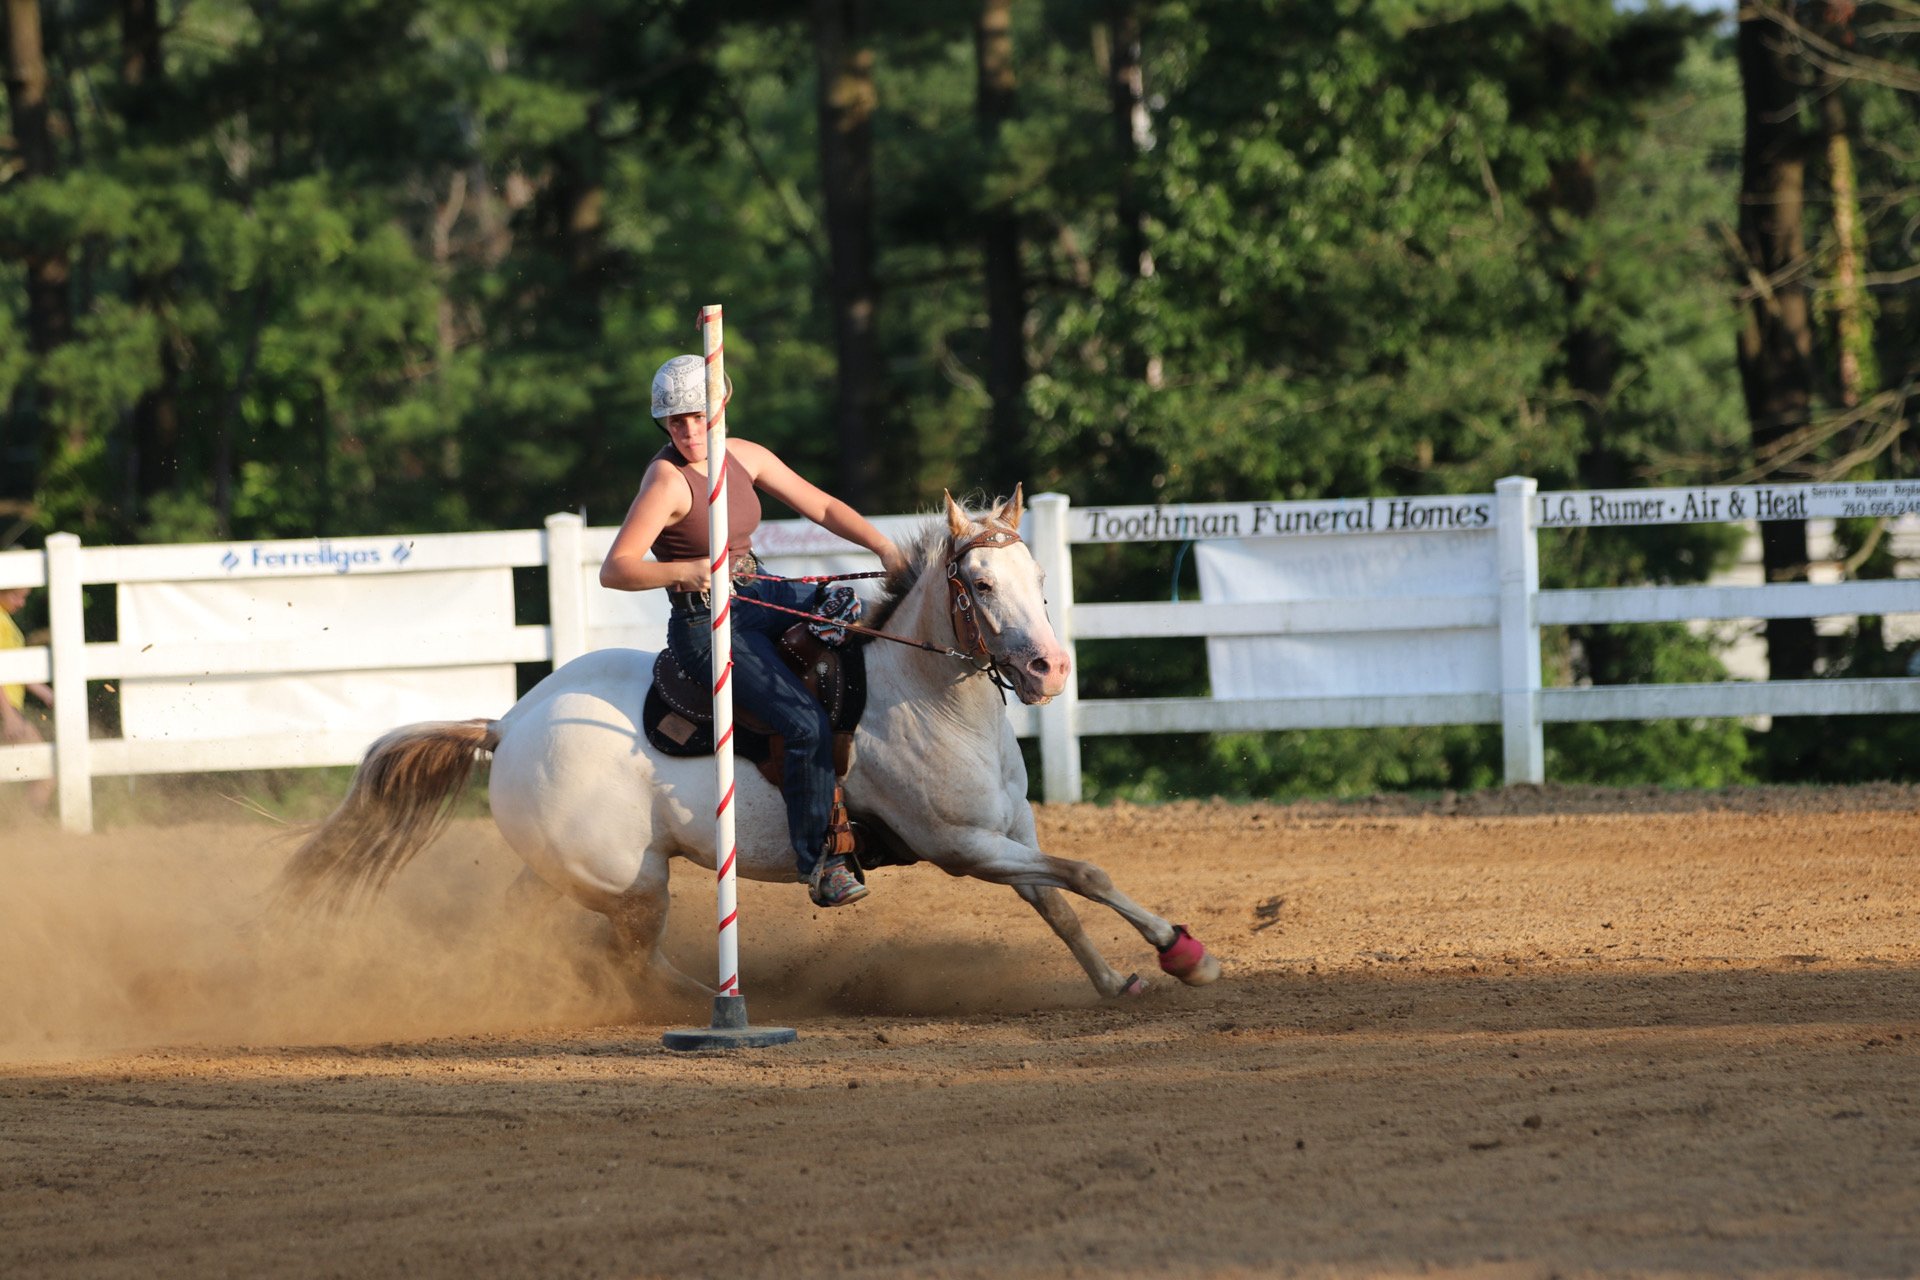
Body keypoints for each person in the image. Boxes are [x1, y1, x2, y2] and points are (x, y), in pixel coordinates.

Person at [600, 355, 908, 908]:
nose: (689, 431)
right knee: (803, 721)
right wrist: (686, 570)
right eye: (675, 422)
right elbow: (616, 569)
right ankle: (820, 861)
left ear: (720, 406)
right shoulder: (666, 482)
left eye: (697, 416)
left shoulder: (746, 455)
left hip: (761, 591)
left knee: (857, 615)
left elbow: (822, 505)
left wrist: (884, 548)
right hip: (704, 623)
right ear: (663, 425)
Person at [0, 585, 54, 814]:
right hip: (6, 709)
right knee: (45, 770)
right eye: (16, 596)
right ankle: (26, 825)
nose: (21, 603)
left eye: (24, 597)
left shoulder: (5, 620)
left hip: (8, 708)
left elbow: (13, 668)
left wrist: (45, 693)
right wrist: (8, 715)